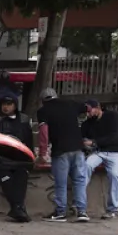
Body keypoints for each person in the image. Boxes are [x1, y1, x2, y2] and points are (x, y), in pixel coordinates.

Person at [36, 87, 88, 222]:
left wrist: (43, 153)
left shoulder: (43, 111)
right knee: (80, 181)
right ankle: (82, 212)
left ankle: (60, 212)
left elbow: (43, 133)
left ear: (42, 100)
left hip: (61, 150)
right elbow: (86, 107)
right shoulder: (70, 103)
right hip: (78, 148)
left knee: (61, 183)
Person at [0, 94, 34, 223]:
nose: (6, 107)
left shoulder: (23, 119)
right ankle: (19, 210)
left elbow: (29, 141)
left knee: (20, 184)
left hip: (20, 161)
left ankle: (17, 209)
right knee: (9, 185)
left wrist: (30, 161)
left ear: (15, 105)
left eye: (9, 104)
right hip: (1, 162)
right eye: (4, 104)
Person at [82, 100, 118, 220]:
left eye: (89, 111)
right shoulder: (88, 124)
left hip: (116, 152)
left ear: (98, 108)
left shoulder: (113, 116)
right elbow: (82, 138)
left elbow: (114, 136)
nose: (88, 114)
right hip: (99, 152)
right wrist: (84, 144)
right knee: (86, 166)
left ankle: (112, 209)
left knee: (114, 174)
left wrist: (94, 142)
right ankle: (80, 205)